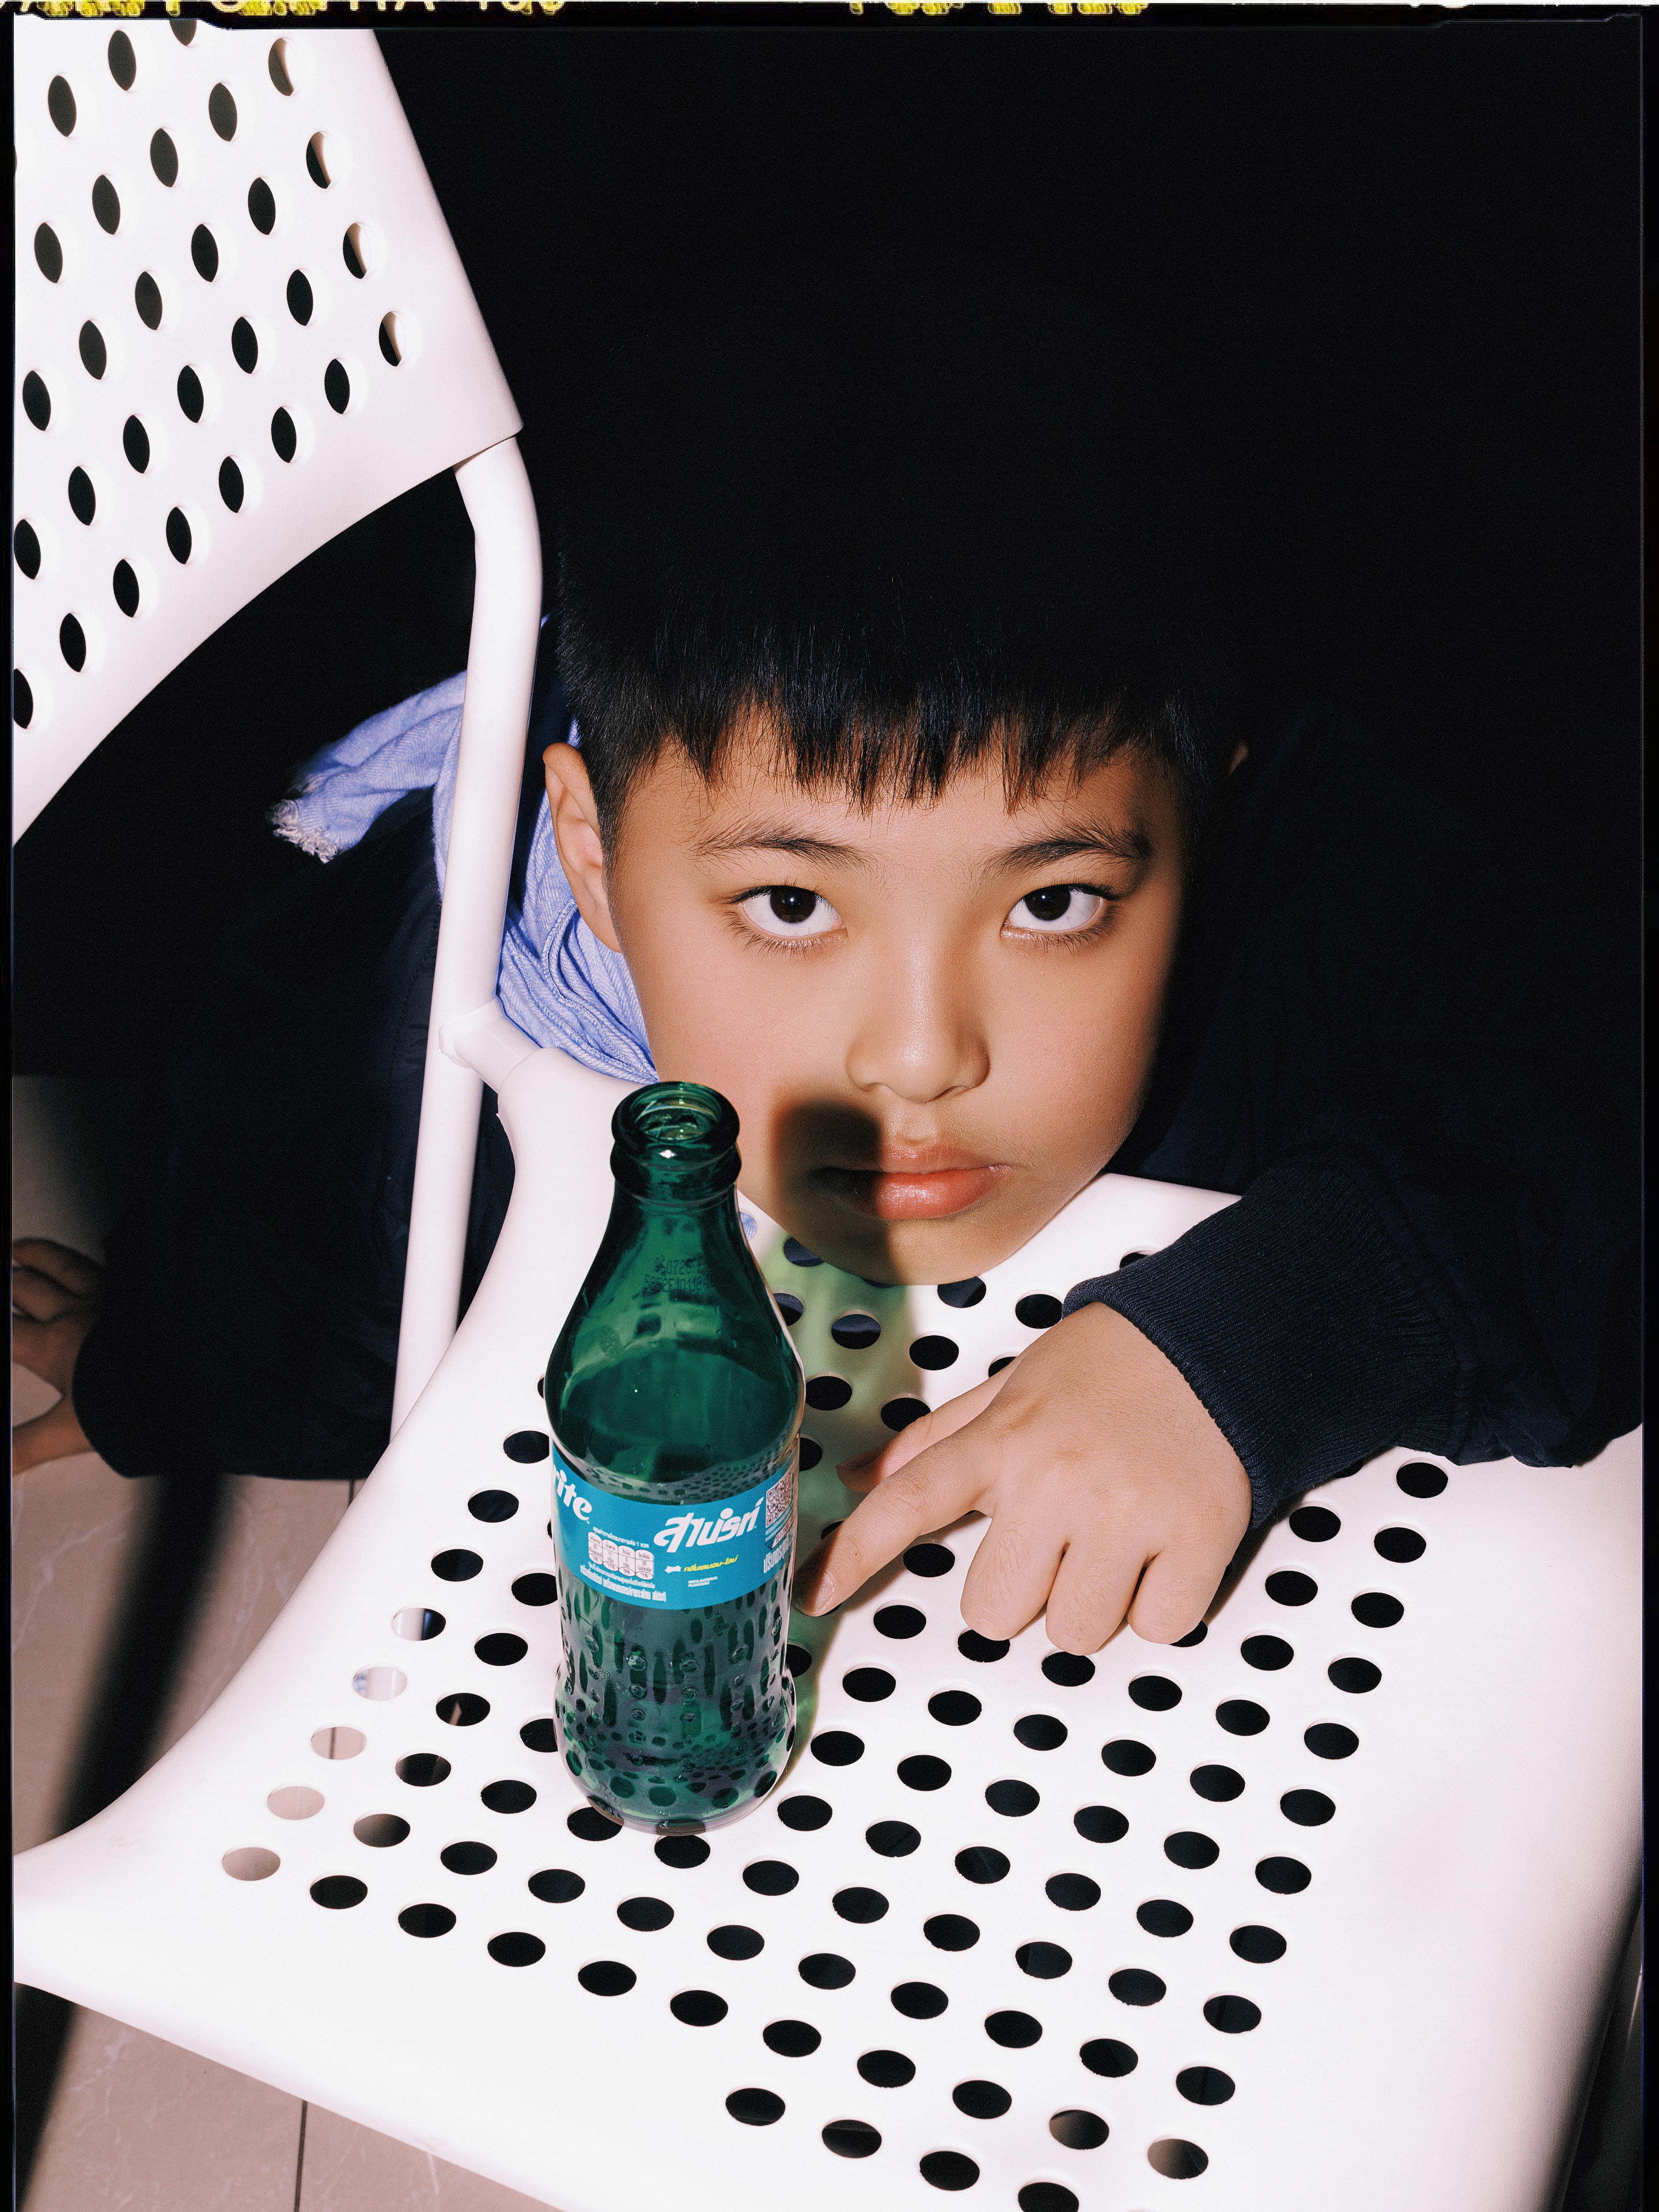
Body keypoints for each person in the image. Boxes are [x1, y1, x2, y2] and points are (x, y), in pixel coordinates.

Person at [10, 247, 1638, 1655]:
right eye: (792, 906)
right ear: (589, 853)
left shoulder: (1300, 889)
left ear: (1202, 828)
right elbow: (284, 1288)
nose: (921, 1056)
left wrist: (1277, 1332)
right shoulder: (390, 1031)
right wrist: (152, 1376)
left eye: (1053, 902)